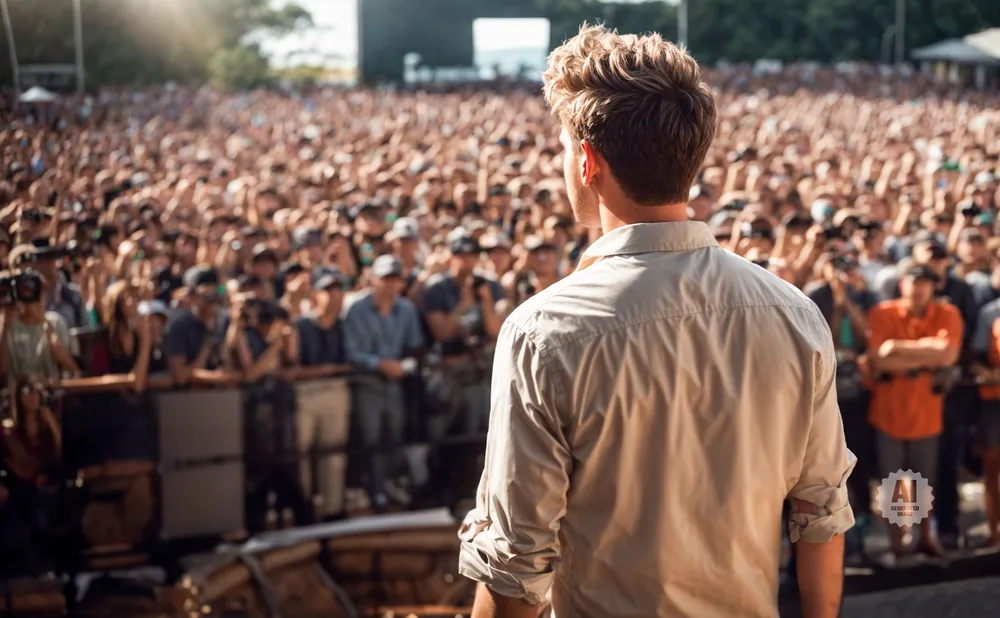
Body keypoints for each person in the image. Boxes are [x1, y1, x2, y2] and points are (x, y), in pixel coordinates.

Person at [460, 25, 855, 618]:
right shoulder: (795, 315)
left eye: (565, 149)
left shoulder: (543, 332)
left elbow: (516, 563)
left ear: (588, 162)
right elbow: (821, 515)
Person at [866, 264, 963, 560]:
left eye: (926, 283)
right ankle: (899, 542)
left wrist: (898, 347)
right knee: (894, 481)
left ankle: (924, 537)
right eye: (915, 281)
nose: (920, 288)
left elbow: (947, 354)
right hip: (889, 411)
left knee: (924, 480)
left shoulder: (947, 313)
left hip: (926, 411)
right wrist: (925, 356)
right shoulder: (883, 312)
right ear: (902, 283)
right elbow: (879, 361)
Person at [343, 255, 425, 509]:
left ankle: (391, 487)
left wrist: (403, 365)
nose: (391, 284)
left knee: (394, 435)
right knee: (371, 438)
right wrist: (380, 364)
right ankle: (375, 491)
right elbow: (350, 351)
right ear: (373, 279)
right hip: (367, 384)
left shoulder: (407, 309)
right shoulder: (356, 308)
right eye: (386, 278)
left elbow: (414, 346)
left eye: (396, 279)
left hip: (395, 384)